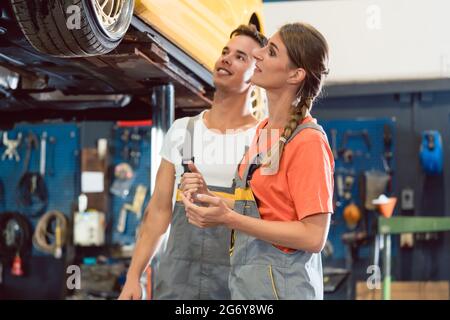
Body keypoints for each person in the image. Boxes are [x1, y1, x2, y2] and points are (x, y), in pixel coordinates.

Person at [181, 22, 334, 299]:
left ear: (296, 74)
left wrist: (230, 219)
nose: (259, 55)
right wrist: (211, 198)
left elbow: (313, 237)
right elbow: (265, 210)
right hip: (248, 287)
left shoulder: (308, 142)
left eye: (271, 52)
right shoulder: (263, 130)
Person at [118, 25, 268, 300]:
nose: (226, 58)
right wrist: (133, 276)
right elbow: (158, 212)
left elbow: (273, 216)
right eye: (225, 52)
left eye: (240, 57)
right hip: (178, 283)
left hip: (239, 285)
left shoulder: (265, 138)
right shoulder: (182, 130)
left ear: (256, 75)